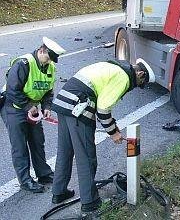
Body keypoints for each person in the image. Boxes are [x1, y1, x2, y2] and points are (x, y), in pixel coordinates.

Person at [51, 58, 155, 214]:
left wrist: (113, 126)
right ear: (140, 73)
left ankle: (59, 193)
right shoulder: (124, 77)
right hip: (78, 109)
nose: (137, 86)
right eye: (141, 82)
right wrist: (113, 132)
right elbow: (103, 109)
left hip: (64, 102)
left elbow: (102, 103)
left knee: (65, 151)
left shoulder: (113, 67)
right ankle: (90, 202)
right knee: (86, 157)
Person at [0, 37, 66, 193]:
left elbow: (48, 91)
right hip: (13, 107)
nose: (49, 62)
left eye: (52, 60)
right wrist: (29, 106)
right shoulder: (23, 64)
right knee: (19, 145)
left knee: (37, 141)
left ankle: (43, 174)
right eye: (48, 58)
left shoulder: (50, 68)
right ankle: (25, 181)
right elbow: (11, 90)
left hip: (32, 109)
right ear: (41, 50)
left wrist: (47, 107)